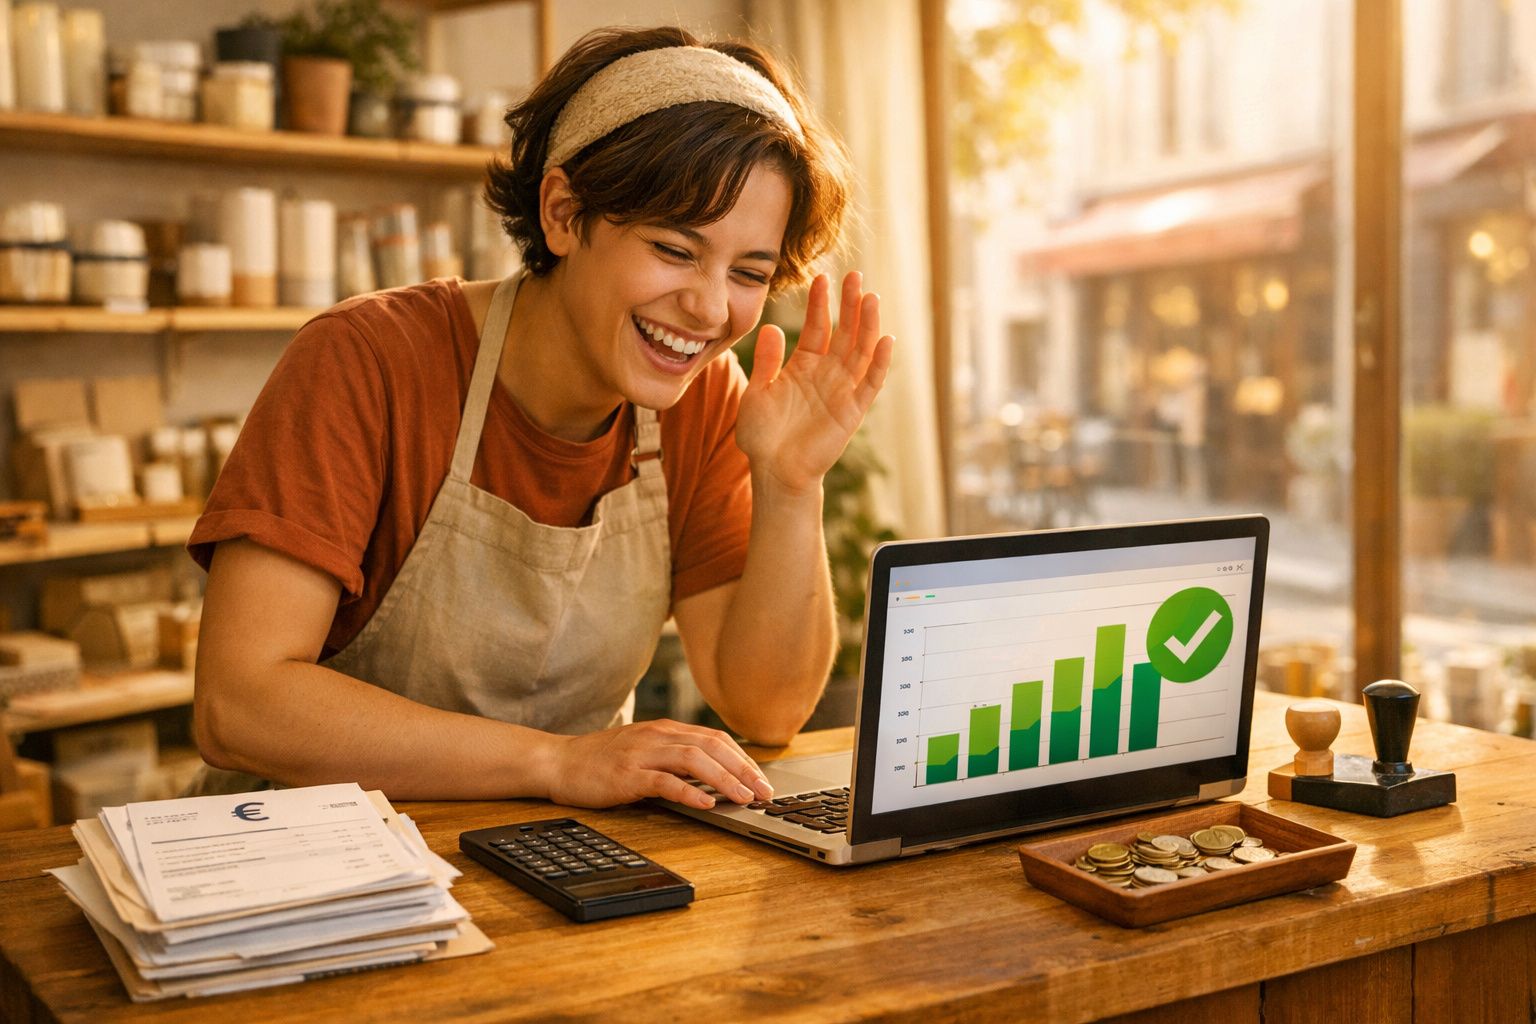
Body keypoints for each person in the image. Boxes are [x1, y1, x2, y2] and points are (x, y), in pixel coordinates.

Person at [185, 25, 894, 811]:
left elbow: (765, 707)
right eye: (674, 250)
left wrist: (790, 485)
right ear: (562, 213)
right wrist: (557, 763)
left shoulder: (702, 399)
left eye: (749, 274)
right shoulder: (368, 359)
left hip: (551, 856)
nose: (708, 308)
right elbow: (239, 705)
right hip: (296, 851)